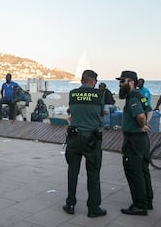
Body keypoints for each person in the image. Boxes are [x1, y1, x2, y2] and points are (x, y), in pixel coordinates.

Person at [63, 69, 107, 218]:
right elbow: (101, 113)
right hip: (92, 139)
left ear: (82, 80)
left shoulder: (73, 93)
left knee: (72, 171)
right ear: (93, 81)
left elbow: (71, 111)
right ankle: (93, 208)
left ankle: (70, 204)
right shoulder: (99, 95)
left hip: (74, 138)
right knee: (93, 173)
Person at [116, 70, 153, 216]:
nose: (120, 84)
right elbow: (149, 110)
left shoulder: (132, 97)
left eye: (122, 81)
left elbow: (140, 115)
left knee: (133, 171)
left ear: (131, 82)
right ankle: (147, 201)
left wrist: (142, 124)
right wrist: (145, 125)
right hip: (142, 139)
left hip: (134, 139)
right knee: (144, 170)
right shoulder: (141, 95)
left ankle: (139, 205)